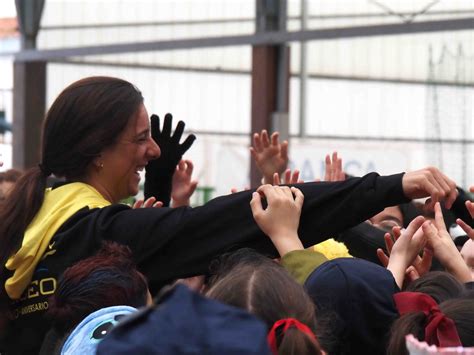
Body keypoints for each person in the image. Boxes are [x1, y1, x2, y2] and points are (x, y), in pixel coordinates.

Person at [0, 76, 458, 353]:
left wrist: (157, 186)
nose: (154, 149)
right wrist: (391, 186)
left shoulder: (25, 227)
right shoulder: (99, 230)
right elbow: (232, 220)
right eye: (140, 139)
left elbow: (157, 250)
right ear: (96, 152)